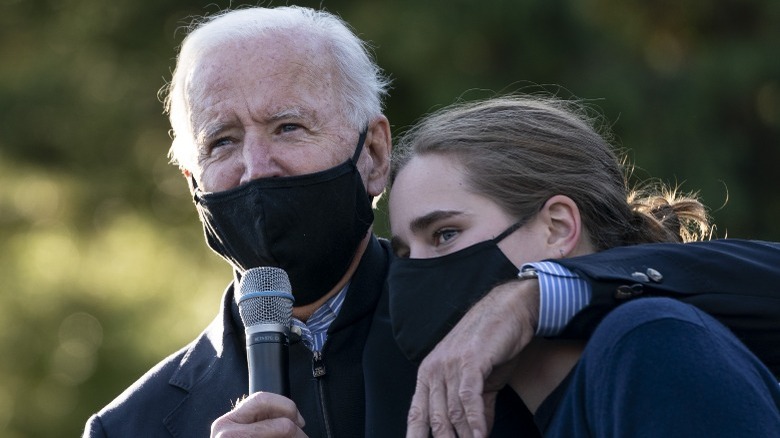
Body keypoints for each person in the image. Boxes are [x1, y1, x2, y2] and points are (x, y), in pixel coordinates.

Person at [82, 6, 780, 437]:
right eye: (222, 141)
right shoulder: (126, 428)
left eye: (289, 126)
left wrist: (536, 293)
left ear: (374, 153)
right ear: (190, 180)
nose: (257, 168)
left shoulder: (478, 321)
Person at [386, 95, 780, 436]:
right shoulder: (507, 417)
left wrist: (533, 295)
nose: (414, 273)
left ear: (557, 228)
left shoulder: (649, 344)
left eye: (445, 234)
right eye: (403, 253)